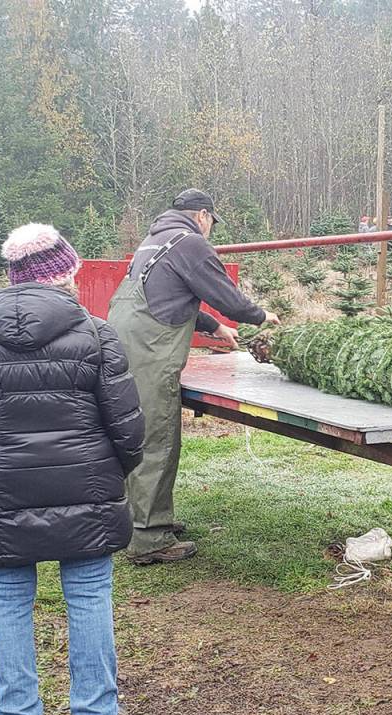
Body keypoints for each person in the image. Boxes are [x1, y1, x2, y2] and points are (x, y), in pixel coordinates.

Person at [0, 224, 145, 715]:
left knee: (7, 600)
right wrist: (113, 472)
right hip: (87, 484)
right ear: (64, 275)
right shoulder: (96, 334)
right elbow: (127, 428)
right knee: (89, 596)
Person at [108, 189, 279, 565]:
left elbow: (171, 296)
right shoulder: (191, 242)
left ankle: (143, 519)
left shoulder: (153, 242)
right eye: (212, 222)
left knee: (135, 436)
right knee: (156, 439)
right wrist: (261, 316)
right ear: (202, 215)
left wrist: (214, 326)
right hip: (149, 354)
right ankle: (149, 538)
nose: (210, 229)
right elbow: (226, 296)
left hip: (124, 348)